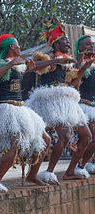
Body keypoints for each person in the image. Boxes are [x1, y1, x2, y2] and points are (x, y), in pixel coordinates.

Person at [26, 17, 92, 184]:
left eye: (68, 40)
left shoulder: (67, 62)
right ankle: (48, 172)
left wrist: (82, 69)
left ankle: (70, 171)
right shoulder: (48, 58)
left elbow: (74, 85)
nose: (68, 42)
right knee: (63, 137)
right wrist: (57, 60)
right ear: (55, 44)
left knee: (87, 136)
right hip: (50, 102)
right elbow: (33, 67)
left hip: (66, 103)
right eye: (64, 40)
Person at [0, 34, 51, 190]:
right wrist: (11, 64)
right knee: (14, 146)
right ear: (11, 47)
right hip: (6, 109)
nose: (20, 47)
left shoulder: (19, 65)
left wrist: (55, 61)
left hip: (21, 108)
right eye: (18, 45)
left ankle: (32, 175)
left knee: (46, 140)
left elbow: (37, 67)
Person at [74, 35, 95, 173]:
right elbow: (75, 81)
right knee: (88, 137)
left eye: (92, 43)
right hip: (81, 106)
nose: (91, 46)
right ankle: (76, 167)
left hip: (93, 106)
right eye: (88, 44)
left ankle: (82, 165)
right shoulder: (76, 63)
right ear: (80, 47)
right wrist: (82, 60)